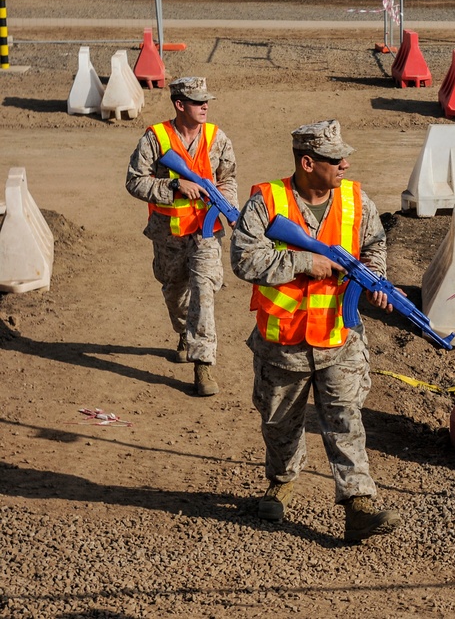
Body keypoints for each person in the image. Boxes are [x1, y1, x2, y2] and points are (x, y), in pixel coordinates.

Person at [230, 119, 401, 543]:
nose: (344, 163)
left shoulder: (357, 201)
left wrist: (373, 280)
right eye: (333, 158)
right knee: (279, 424)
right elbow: (244, 261)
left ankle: (359, 503)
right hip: (282, 342)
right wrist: (306, 262)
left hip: (339, 336)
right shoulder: (266, 202)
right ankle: (282, 480)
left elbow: (375, 246)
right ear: (308, 162)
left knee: (346, 420)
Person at [125, 76, 238, 397]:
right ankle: (185, 332)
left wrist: (227, 204)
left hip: (207, 233)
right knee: (174, 291)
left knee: (204, 289)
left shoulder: (218, 138)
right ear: (179, 104)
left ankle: (203, 365)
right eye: (198, 102)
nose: (205, 107)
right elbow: (134, 182)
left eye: (207, 102)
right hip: (168, 232)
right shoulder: (155, 138)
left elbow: (229, 178)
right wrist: (173, 186)